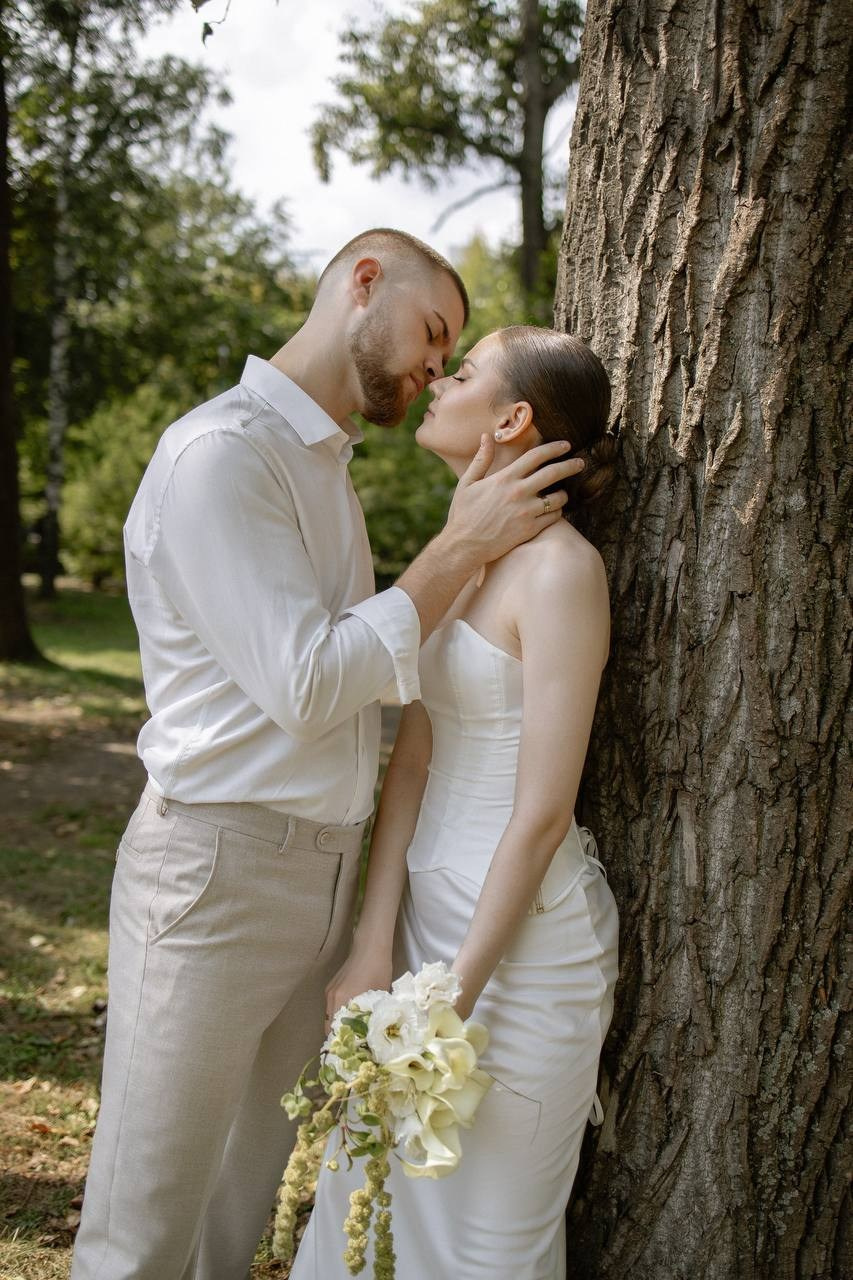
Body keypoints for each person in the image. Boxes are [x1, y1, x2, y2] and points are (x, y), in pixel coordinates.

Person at [70, 233, 584, 1280]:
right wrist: (458, 547)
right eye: (435, 334)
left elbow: (385, 692)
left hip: (323, 878)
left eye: (452, 359)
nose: (435, 368)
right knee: (145, 1220)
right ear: (362, 285)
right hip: (215, 872)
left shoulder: (322, 467)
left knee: (237, 1202)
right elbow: (307, 682)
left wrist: (366, 923)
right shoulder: (225, 456)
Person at [292, 325, 620, 1279]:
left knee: (483, 1243)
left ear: (513, 418)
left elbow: (542, 813)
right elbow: (412, 763)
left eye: (464, 372)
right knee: (373, 1203)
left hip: (523, 956)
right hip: (421, 936)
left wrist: (453, 1001)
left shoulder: (562, 574)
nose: (436, 381)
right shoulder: (463, 556)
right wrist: (372, 949)